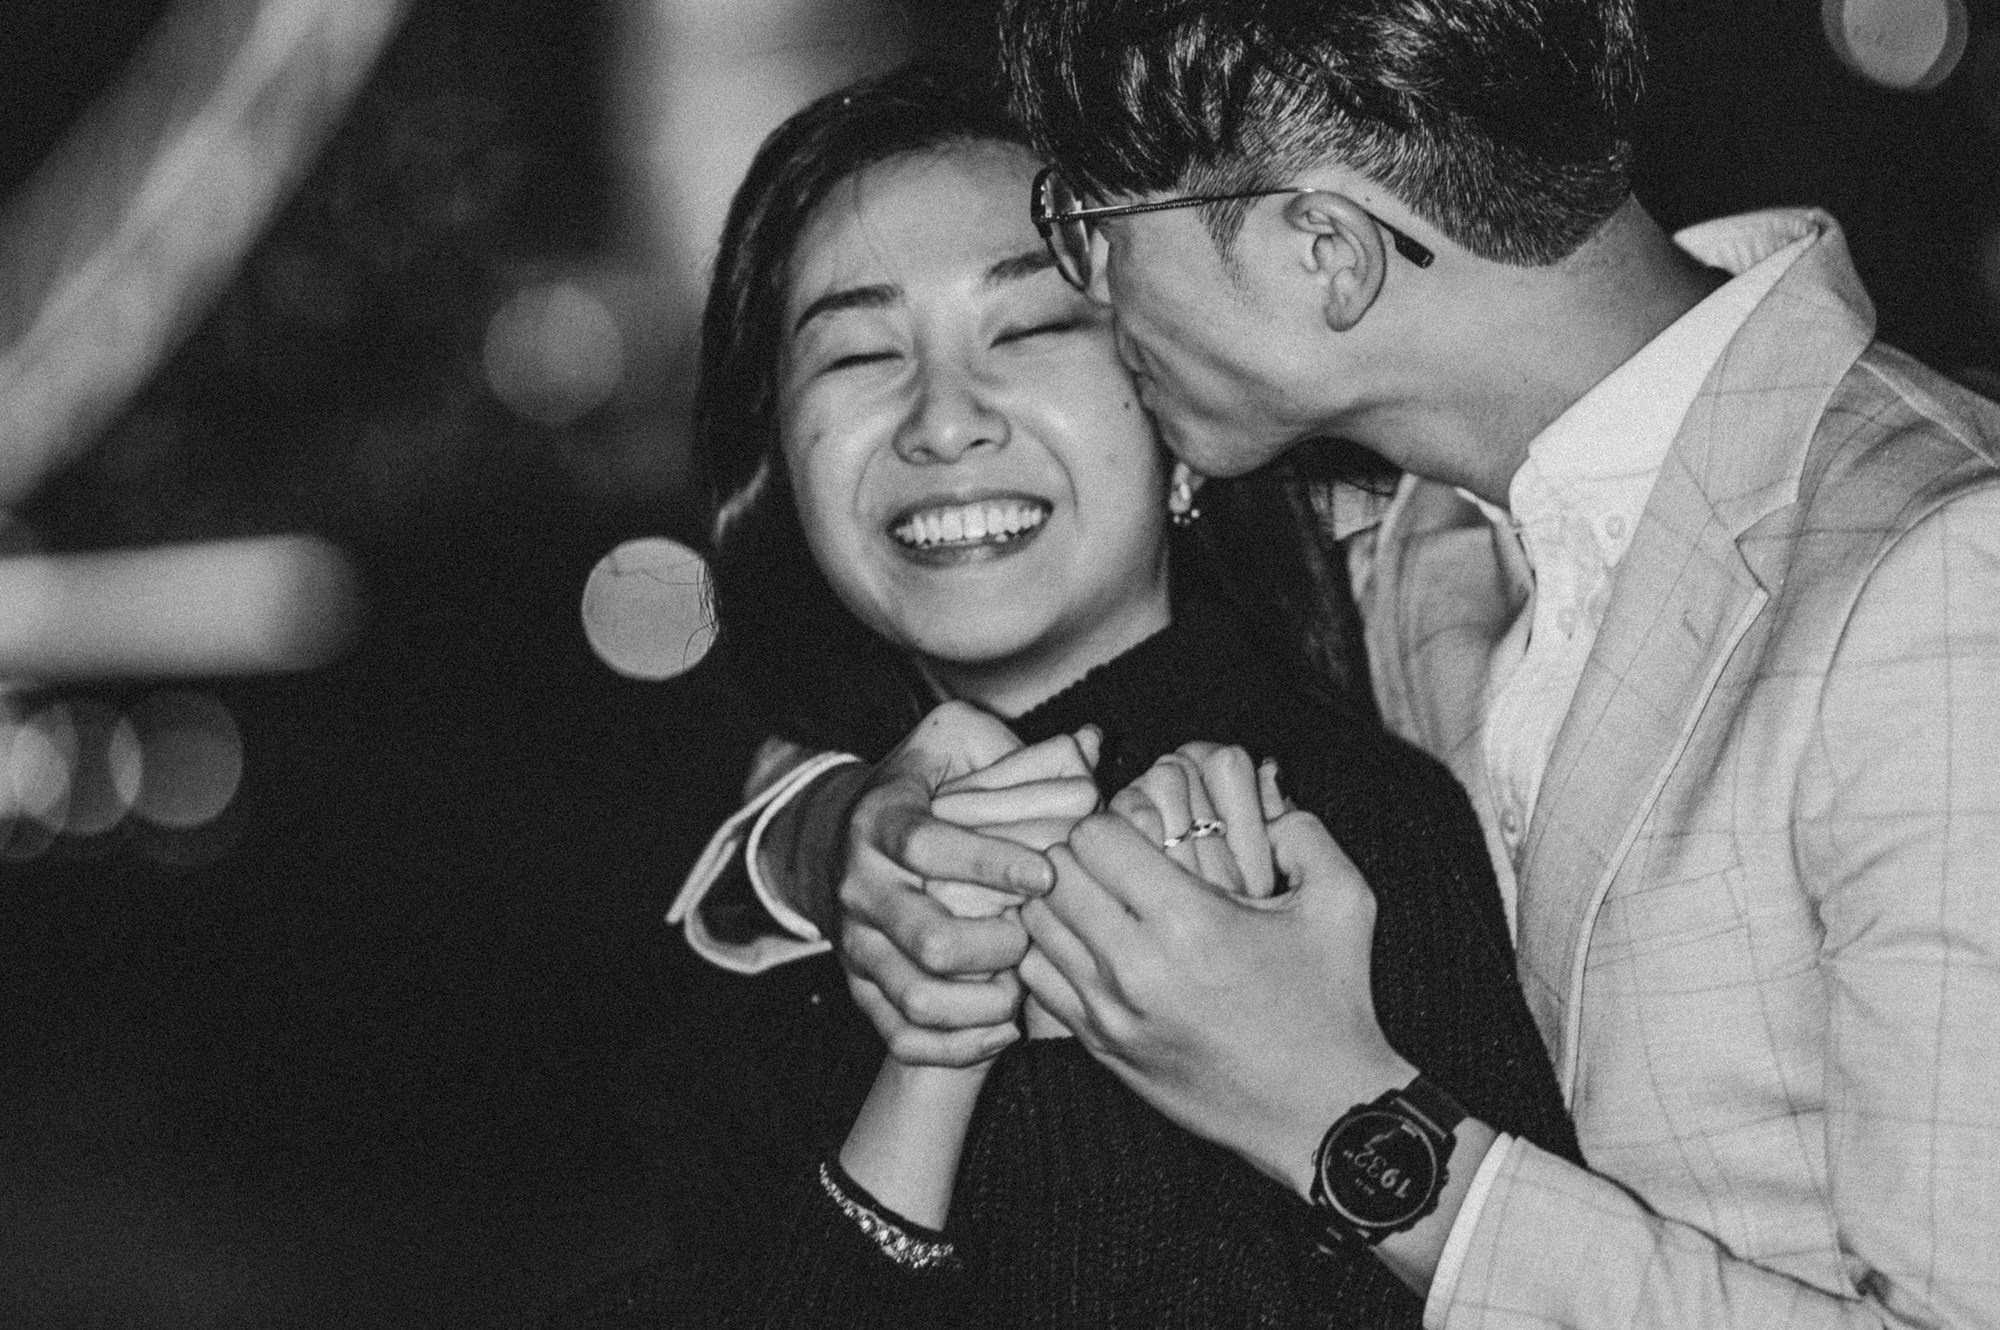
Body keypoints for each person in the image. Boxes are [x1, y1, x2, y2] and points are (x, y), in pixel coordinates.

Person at [701, 2, 2000, 1328]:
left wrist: (1335, 1110)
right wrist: (829, 828)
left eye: (1090, 231)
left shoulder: (1942, 579)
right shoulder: (1434, 529)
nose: (1095, 288)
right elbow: (1020, 642)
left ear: (1322, 249)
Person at [561, 61, 1579, 1328]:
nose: (942, 422)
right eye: (860, 351)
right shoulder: (809, 867)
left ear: (1171, 403)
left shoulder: (1326, 845)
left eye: (1029, 328)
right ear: (776, 462)